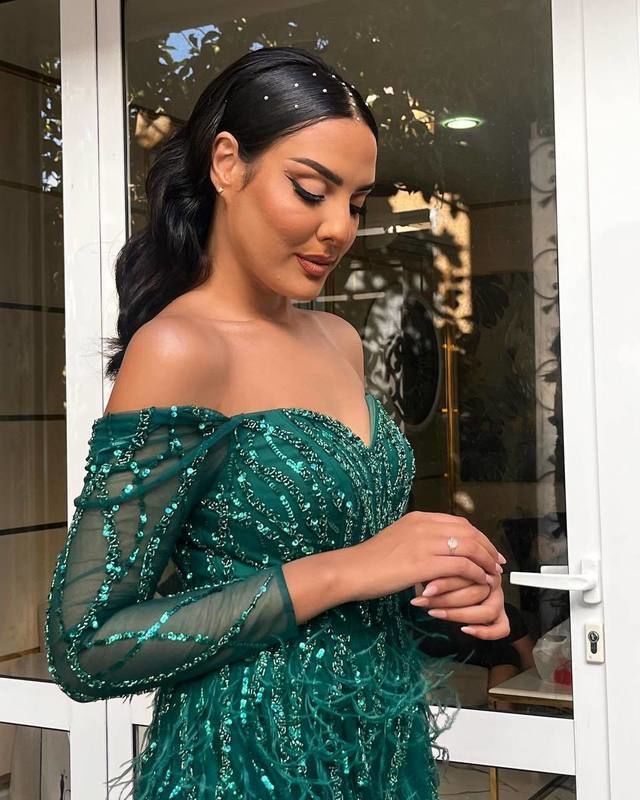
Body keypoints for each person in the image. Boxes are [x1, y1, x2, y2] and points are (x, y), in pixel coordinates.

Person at [44, 46, 509, 799]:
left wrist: (437, 586)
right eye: (310, 190)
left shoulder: (339, 340)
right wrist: (350, 569)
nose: (338, 228)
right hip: (244, 765)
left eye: (356, 203)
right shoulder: (180, 348)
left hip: (378, 756)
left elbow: (349, 576)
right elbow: (87, 645)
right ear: (227, 164)